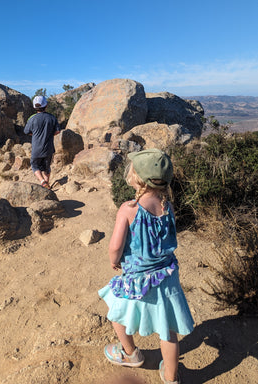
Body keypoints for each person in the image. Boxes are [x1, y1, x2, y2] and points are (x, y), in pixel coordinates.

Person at [98, 149, 194, 384]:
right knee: (168, 331)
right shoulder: (167, 207)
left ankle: (130, 354)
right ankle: (171, 377)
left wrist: (114, 261)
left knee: (117, 313)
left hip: (138, 278)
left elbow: (115, 246)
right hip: (166, 275)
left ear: (138, 178)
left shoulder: (129, 209)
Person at [24, 95, 60, 189]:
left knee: (34, 165)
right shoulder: (52, 118)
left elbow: (26, 131)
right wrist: (49, 134)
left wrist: (35, 134)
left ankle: (42, 181)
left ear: (34, 107)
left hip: (36, 148)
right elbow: (57, 131)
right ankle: (47, 184)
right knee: (46, 168)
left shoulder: (32, 119)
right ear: (46, 105)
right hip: (49, 148)